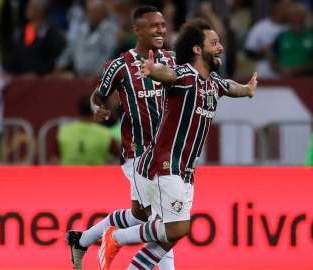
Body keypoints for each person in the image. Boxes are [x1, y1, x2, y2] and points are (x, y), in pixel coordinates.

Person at [96, 18, 258, 270]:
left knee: (169, 238)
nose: (220, 47)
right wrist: (153, 70)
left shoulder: (213, 84)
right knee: (178, 227)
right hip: (164, 164)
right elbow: (168, 74)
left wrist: (247, 90)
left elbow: (230, 87)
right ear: (197, 49)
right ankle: (116, 237)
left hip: (186, 171)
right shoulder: (184, 75)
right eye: (214, 43)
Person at [64, 6, 176, 270]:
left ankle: (83, 239)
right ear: (137, 31)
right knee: (163, 220)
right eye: (154, 26)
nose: (160, 30)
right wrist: (96, 109)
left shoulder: (172, 61)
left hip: (167, 154)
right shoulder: (120, 65)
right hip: (137, 153)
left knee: (141, 216)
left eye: (162, 25)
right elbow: (97, 95)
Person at [54, 0, 118, 77]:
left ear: (103, 13)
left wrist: (98, 72)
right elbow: (70, 49)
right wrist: (60, 64)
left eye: (95, 12)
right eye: (89, 12)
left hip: (97, 77)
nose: (91, 15)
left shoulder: (110, 30)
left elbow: (109, 54)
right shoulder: (82, 29)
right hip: (77, 75)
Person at [270, 2, 313, 77]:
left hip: (309, 79)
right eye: (294, 16)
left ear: (305, 17)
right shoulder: (281, 37)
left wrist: (305, 68)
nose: (296, 19)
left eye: (299, 16)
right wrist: (282, 70)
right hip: (285, 80)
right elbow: (273, 59)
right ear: (289, 18)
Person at [9, 0, 66, 76]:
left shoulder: (52, 35)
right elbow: (18, 57)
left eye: (31, 7)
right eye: (28, 6)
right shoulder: (21, 33)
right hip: (21, 79)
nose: (27, 9)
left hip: (43, 80)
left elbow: (55, 59)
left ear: (41, 10)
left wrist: (39, 73)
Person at [57, 97, 119, 165]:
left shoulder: (64, 131)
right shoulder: (105, 134)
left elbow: (54, 159)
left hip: (68, 174)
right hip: (95, 174)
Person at [244, 0, 292, 78]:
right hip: (266, 71)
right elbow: (249, 51)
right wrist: (263, 51)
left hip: (288, 71)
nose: (289, 9)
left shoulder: (292, 28)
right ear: (276, 7)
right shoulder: (261, 27)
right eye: (286, 6)